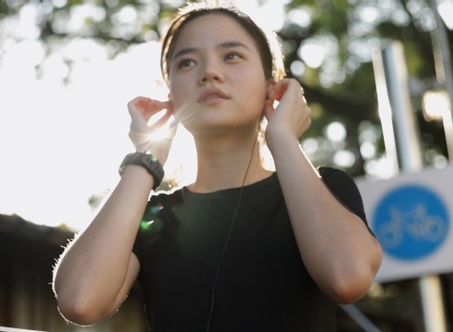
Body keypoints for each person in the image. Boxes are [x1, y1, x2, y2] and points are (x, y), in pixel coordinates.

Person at [52, 2, 382, 331]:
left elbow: (347, 279)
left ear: (272, 85)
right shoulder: (151, 218)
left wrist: (282, 138)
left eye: (231, 56)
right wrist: (145, 158)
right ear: (171, 96)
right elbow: (80, 301)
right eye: (187, 62)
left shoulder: (323, 190)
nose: (209, 72)